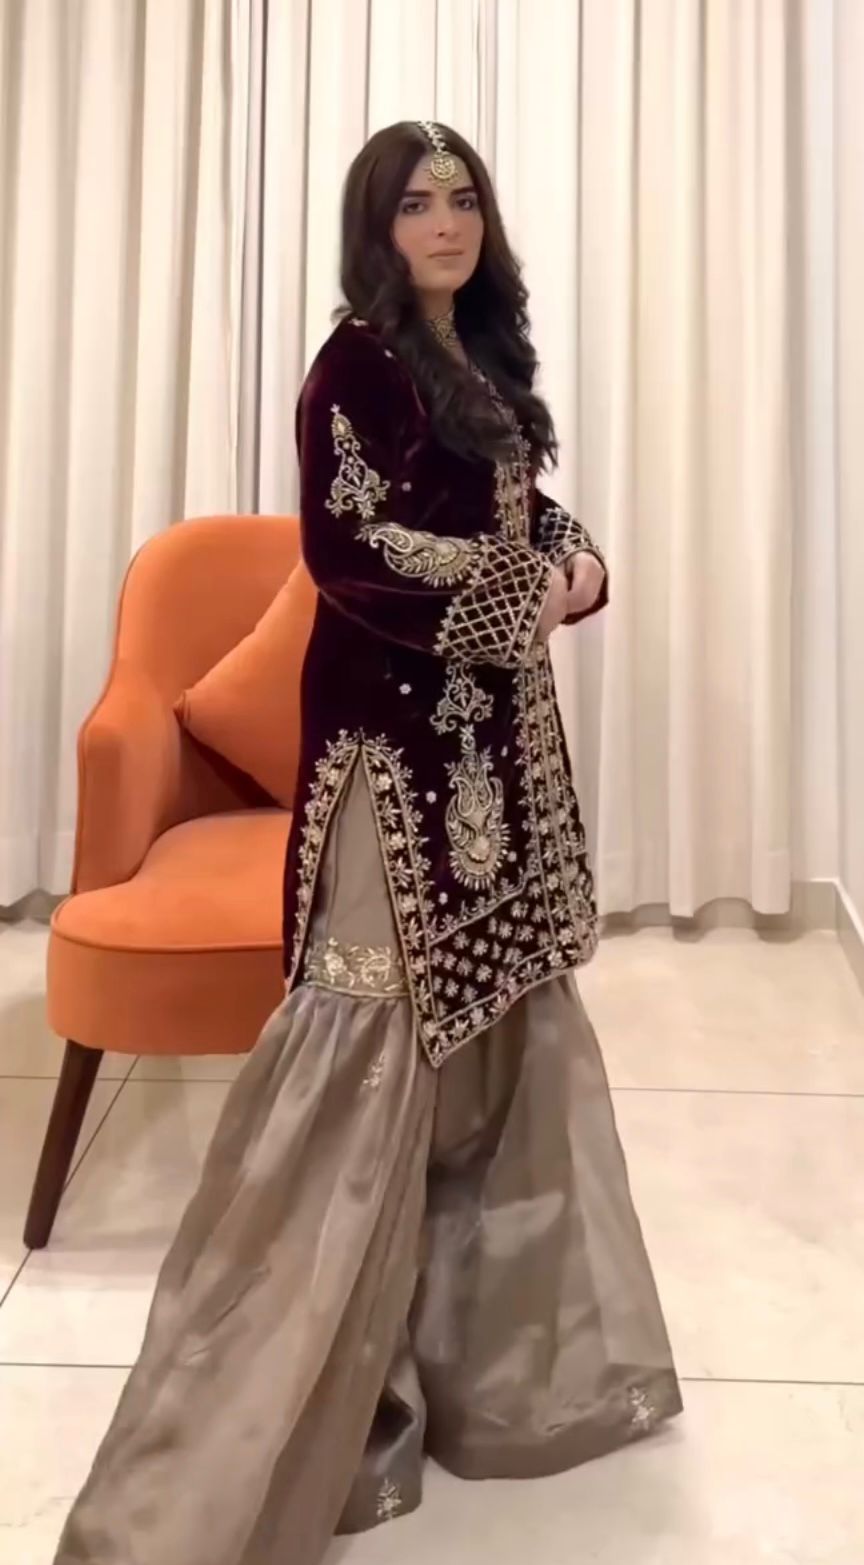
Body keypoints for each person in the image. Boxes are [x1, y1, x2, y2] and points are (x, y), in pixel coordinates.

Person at [53, 120, 681, 1565]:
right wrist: (521, 592)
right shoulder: (355, 365)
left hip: (496, 754)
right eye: (416, 205)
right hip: (395, 763)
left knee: (496, 1039)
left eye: (463, 200)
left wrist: (577, 563)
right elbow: (353, 551)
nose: (446, 224)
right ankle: (262, 1423)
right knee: (361, 1055)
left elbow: (519, 505)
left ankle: (490, 1368)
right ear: (375, 227)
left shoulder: (478, 353)